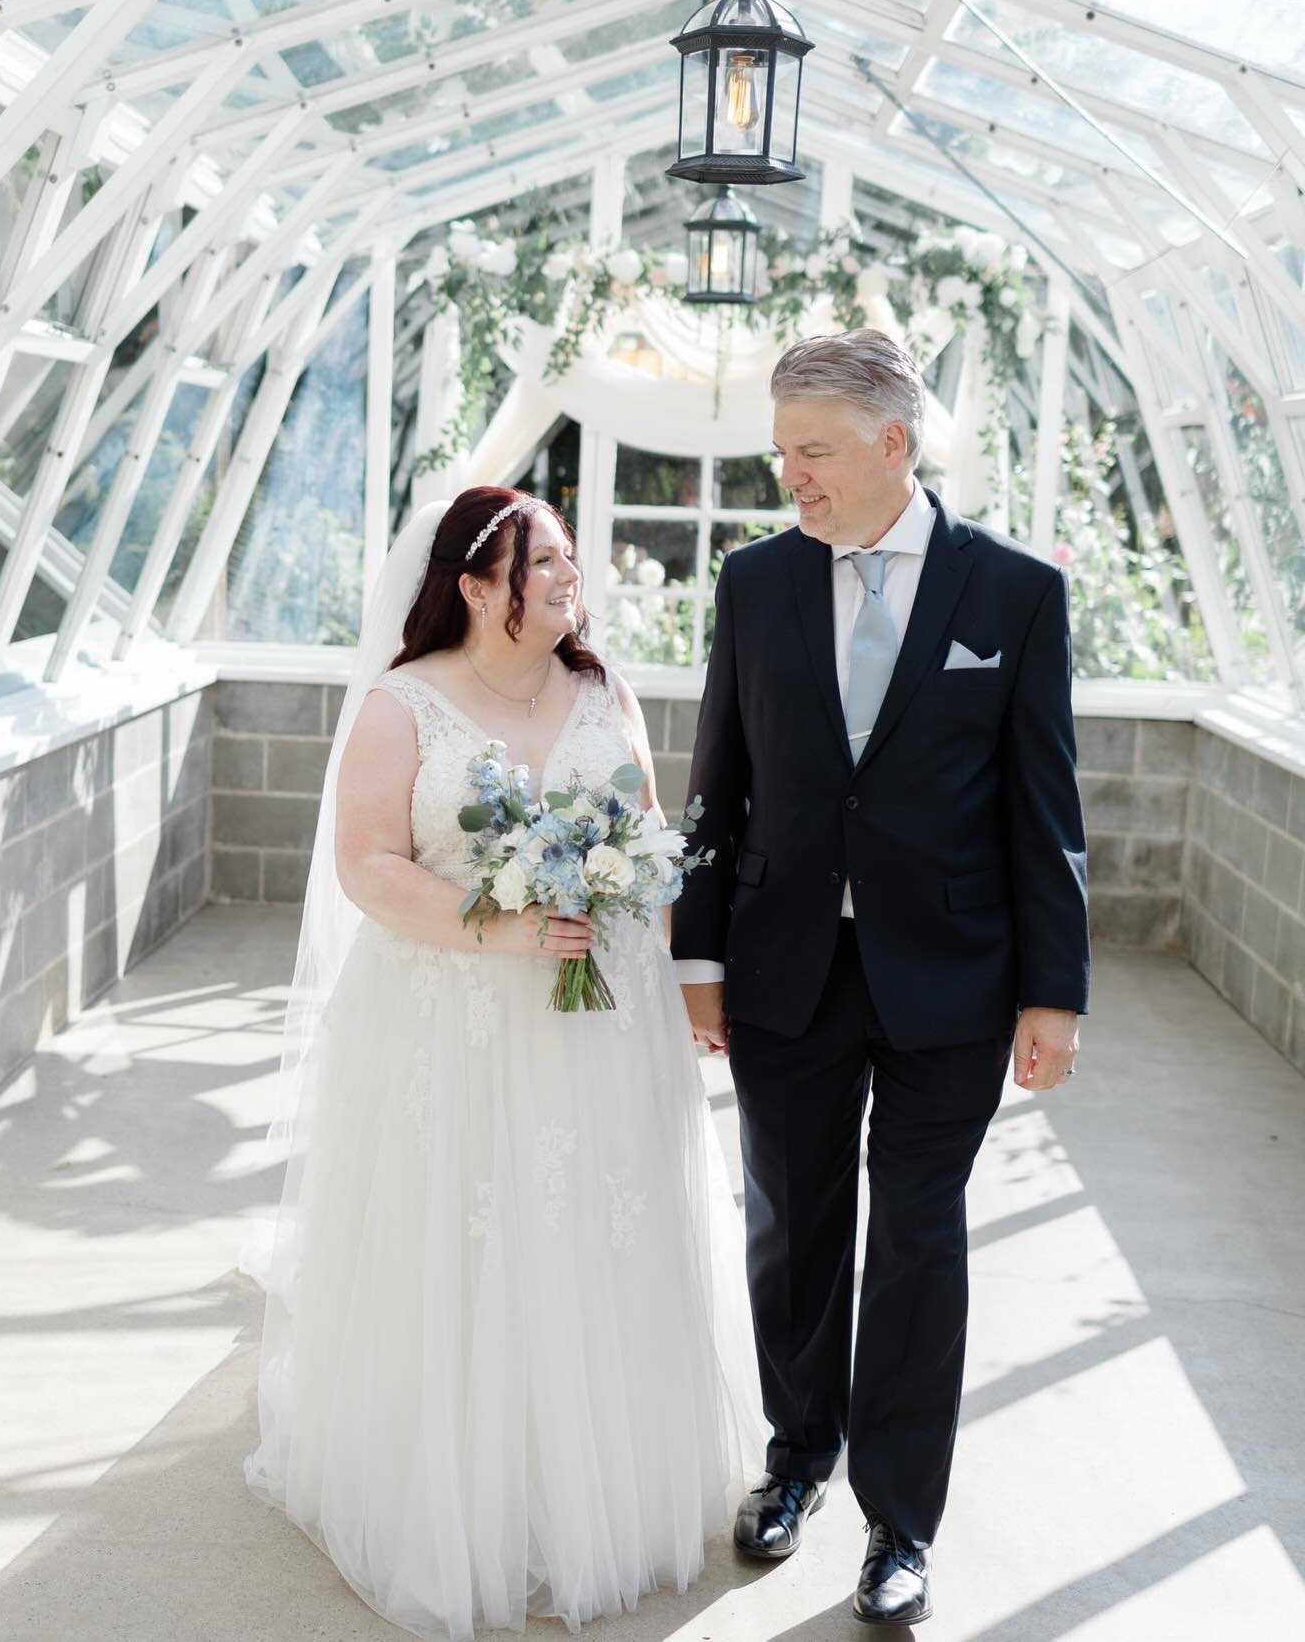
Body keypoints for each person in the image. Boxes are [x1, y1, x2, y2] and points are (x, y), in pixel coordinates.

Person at [241, 486, 766, 1641]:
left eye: (574, 559)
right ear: (478, 585)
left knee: (594, 1233)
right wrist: (505, 924)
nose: (574, 578)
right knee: (469, 1239)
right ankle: (461, 1492)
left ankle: (594, 1482)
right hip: (455, 1025)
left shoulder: (602, 689)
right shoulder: (403, 707)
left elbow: (640, 840)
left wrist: (673, 966)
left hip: (598, 1021)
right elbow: (368, 864)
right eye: (549, 562)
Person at [672, 329, 1090, 1627]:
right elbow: (715, 786)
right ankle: (797, 1462)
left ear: (892, 442)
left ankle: (901, 1524)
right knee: (793, 1224)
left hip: (952, 979)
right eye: (781, 450)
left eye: (812, 450)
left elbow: (1044, 808)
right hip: (785, 963)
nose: (789, 475)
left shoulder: (1013, 593)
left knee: (918, 1236)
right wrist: (698, 951)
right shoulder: (755, 585)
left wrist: (1054, 989)